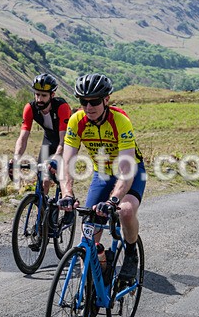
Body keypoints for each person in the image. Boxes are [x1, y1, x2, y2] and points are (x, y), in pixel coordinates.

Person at [57, 73, 146, 286]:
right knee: (89, 234)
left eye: (95, 101)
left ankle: (132, 252)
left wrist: (113, 200)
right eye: (84, 102)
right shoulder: (76, 121)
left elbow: (126, 167)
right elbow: (67, 162)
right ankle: (100, 273)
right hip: (102, 173)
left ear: (106, 99)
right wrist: (67, 193)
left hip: (131, 171)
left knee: (125, 210)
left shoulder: (120, 121)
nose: (89, 107)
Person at [8, 73, 72, 194]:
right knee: (43, 180)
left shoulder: (62, 107)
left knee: (64, 179)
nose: (39, 99)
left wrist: (56, 157)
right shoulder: (30, 108)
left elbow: (64, 139)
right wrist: (16, 158)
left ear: (52, 95)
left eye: (43, 95)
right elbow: (23, 137)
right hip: (48, 140)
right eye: (37, 94)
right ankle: (43, 210)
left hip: (67, 141)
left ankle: (68, 203)